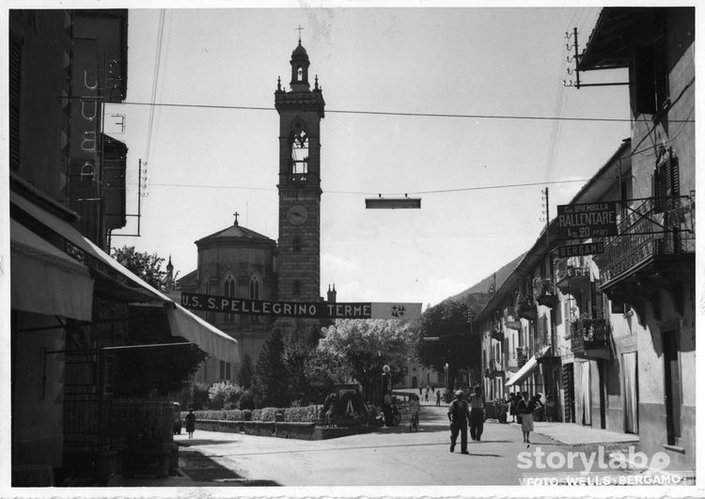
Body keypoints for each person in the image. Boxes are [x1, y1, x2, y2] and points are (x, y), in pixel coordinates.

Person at [447, 389, 470, 454]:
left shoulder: (465, 403)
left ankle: (463, 449)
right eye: (458, 396)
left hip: (463, 421)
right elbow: (449, 413)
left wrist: (469, 421)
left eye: (461, 396)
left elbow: (467, 413)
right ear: (456, 396)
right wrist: (450, 421)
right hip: (455, 421)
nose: (460, 397)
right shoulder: (453, 403)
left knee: (464, 436)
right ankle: (453, 444)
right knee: (454, 435)